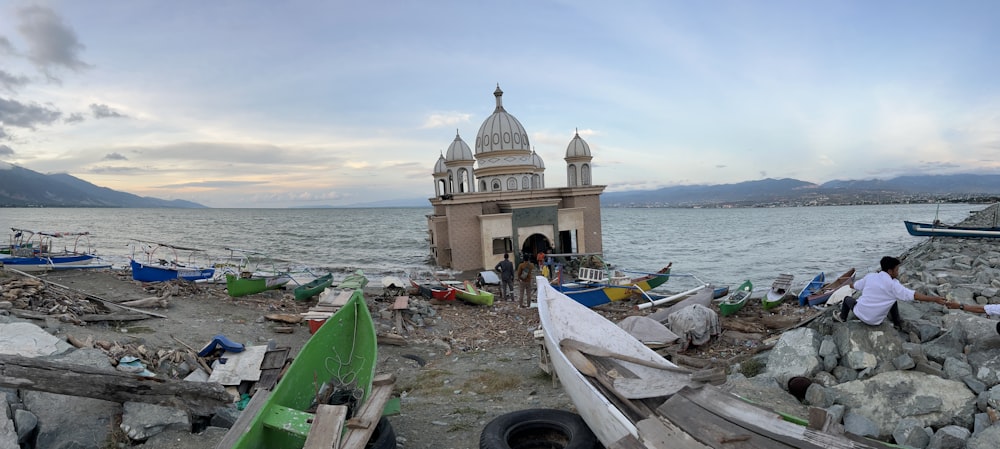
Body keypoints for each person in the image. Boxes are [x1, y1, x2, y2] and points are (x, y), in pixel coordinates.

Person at [835, 256, 946, 327]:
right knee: (893, 300)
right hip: (876, 320)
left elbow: (856, 286)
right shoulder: (894, 285)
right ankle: (897, 323)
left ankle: (842, 318)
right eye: (897, 270)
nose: (898, 272)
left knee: (847, 299)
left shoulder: (870, 276)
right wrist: (934, 299)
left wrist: (848, 284)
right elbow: (913, 295)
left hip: (862, 314)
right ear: (890, 271)